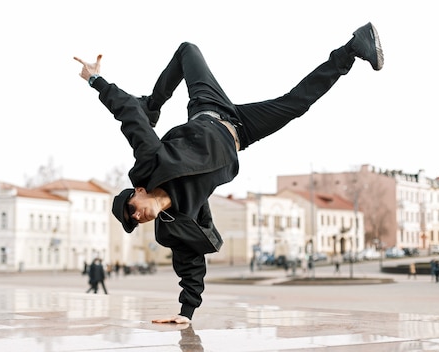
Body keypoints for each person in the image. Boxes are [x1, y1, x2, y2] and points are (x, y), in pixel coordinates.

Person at [74, 22, 383, 324]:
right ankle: (354, 48)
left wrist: (96, 81)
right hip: (241, 131)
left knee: (187, 50)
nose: (137, 217)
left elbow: (129, 114)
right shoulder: (177, 223)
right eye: (133, 222)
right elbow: (190, 265)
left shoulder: (150, 162)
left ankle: (153, 105)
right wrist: (186, 313)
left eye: (132, 210)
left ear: (138, 191)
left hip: (208, 108)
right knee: (296, 104)